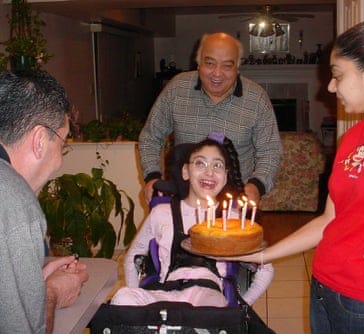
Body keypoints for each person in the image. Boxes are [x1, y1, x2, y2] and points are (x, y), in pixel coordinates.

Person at [226, 18, 364, 334]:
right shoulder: (354, 137)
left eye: (337, 75)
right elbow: (329, 220)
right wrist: (261, 255)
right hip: (324, 287)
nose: (330, 86)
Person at [111, 134, 273, 307]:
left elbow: (266, 268)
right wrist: (134, 302)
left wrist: (242, 307)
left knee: (208, 311)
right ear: (185, 172)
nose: (209, 172)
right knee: (122, 296)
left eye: (217, 165)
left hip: (208, 296)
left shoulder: (232, 220)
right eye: (200, 163)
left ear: (225, 177)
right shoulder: (161, 213)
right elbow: (133, 257)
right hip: (166, 292)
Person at [138, 32, 282, 205]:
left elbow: (270, 151)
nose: (217, 73)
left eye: (227, 66)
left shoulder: (256, 98)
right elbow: (151, 137)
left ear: (237, 68)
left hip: (234, 201)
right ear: (198, 64)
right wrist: (153, 177)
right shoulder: (176, 89)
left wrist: (256, 185)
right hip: (183, 199)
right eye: (210, 63)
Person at [0, 70, 89, 334]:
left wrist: (31, 284)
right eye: (62, 145)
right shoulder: (15, 202)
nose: (60, 161)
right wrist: (50, 293)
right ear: (40, 140)